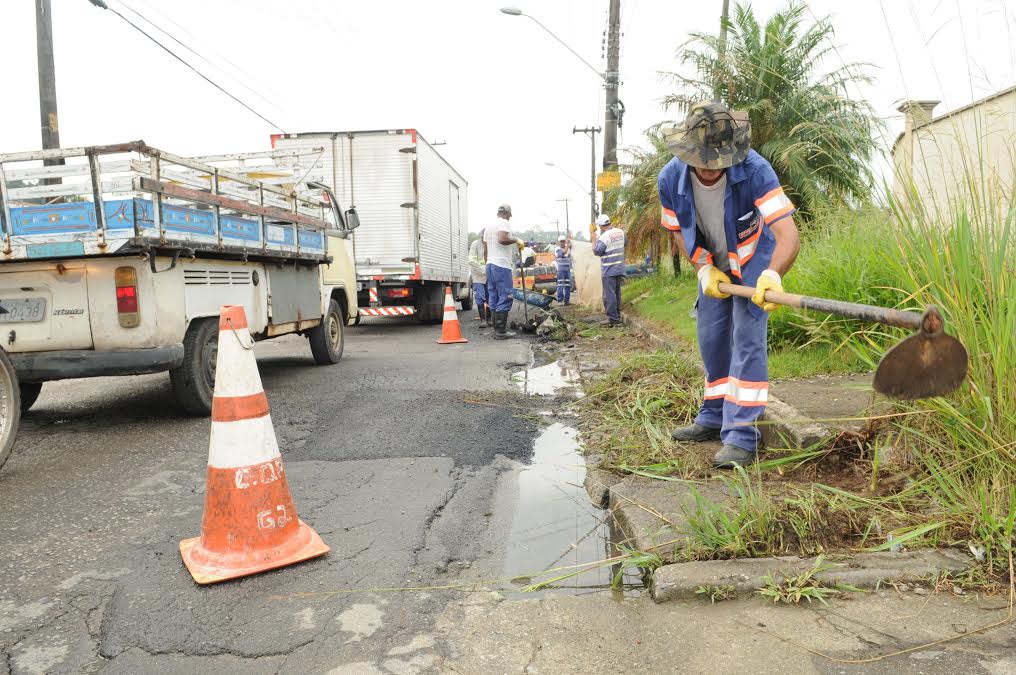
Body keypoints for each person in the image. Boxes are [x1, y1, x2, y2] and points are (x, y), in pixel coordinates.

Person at [658, 101, 800, 468]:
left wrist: (772, 275)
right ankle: (713, 415)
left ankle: (741, 435)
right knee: (711, 337)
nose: (708, 169)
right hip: (714, 265)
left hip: (754, 260)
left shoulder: (755, 170)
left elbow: (787, 234)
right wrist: (703, 268)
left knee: (747, 339)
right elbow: (677, 231)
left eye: (716, 160)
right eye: (702, 159)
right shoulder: (670, 180)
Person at [483, 204, 525, 340]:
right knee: (506, 295)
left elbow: (485, 248)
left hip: (490, 265)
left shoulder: (488, 226)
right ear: (507, 213)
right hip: (501, 265)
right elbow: (502, 239)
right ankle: (501, 331)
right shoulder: (504, 223)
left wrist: (487, 264)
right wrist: (516, 239)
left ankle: (497, 329)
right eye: (510, 215)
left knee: (493, 296)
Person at [593, 214, 625, 326]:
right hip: (619, 267)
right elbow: (625, 242)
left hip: (609, 269)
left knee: (609, 294)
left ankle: (613, 318)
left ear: (601, 226)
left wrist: (593, 240)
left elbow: (597, 251)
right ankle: (617, 313)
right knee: (617, 292)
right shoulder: (620, 232)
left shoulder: (604, 237)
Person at [468, 228, 489, 328]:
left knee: (490, 297)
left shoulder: (492, 244)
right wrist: (482, 270)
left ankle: (489, 319)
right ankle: (483, 320)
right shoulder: (475, 244)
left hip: (489, 275)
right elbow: (471, 260)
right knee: (480, 297)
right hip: (478, 276)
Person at [554, 234, 572, 305]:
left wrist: (570, 240)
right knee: (560, 285)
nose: (562, 243)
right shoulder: (557, 249)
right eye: (561, 241)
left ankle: (566, 301)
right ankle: (560, 300)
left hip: (567, 270)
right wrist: (567, 244)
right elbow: (563, 252)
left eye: (563, 241)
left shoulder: (568, 248)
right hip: (561, 270)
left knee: (568, 285)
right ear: (559, 242)